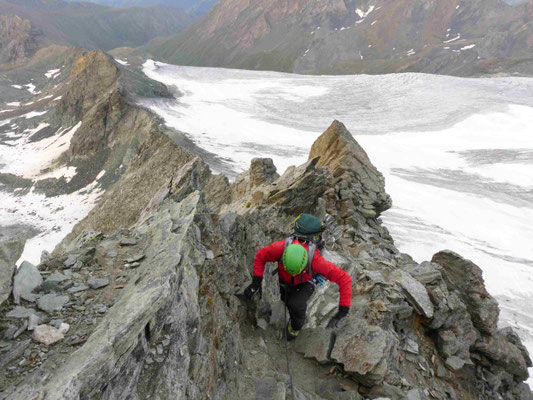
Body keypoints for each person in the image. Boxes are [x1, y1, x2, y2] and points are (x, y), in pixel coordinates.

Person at [244, 214, 352, 340]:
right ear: (283, 258)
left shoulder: (315, 261)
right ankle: (289, 308)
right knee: (286, 299)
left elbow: (344, 279)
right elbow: (261, 256)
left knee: (296, 304)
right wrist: (256, 282)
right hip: (284, 280)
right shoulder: (279, 248)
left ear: (305, 264)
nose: (293, 273)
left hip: (306, 281)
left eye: (296, 271)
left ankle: (295, 328)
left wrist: (342, 310)